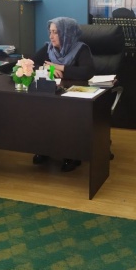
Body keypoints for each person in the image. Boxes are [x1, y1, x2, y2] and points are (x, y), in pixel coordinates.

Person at [31, 17, 95, 172]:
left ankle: (72, 154)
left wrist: (61, 67)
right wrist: (48, 69)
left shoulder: (80, 49)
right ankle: (44, 149)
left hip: (75, 97)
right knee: (41, 112)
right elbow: (31, 63)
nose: (51, 36)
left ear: (67, 34)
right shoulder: (49, 48)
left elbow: (87, 72)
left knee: (68, 115)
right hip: (54, 94)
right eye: (50, 32)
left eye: (56, 32)